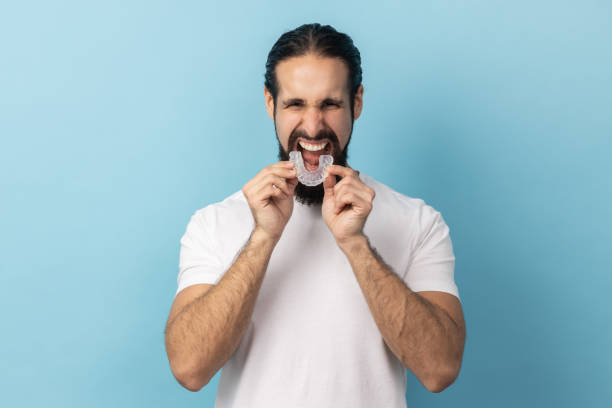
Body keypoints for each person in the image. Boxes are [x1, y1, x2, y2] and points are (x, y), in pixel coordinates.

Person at [164, 23, 466, 407]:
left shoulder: (418, 222)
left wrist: (355, 244)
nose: (312, 126)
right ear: (270, 104)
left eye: (330, 104)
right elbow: (189, 369)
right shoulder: (213, 224)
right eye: (295, 104)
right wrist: (262, 238)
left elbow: (440, 370)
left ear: (356, 102)